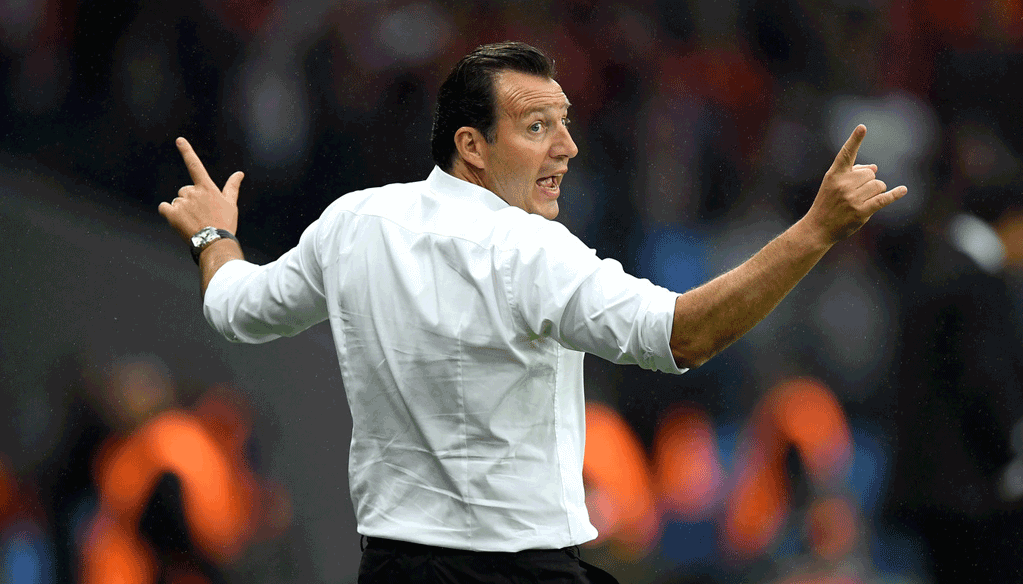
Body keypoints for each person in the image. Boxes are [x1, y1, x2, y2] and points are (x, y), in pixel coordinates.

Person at [158, 42, 905, 584]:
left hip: (392, 570)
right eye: (537, 127)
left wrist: (213, 236)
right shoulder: (532, 251)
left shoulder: (354, 223)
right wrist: (815, 231)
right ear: (471, 146)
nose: (568, 148)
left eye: (564, 123)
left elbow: (236, 308)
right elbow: (686, 335)